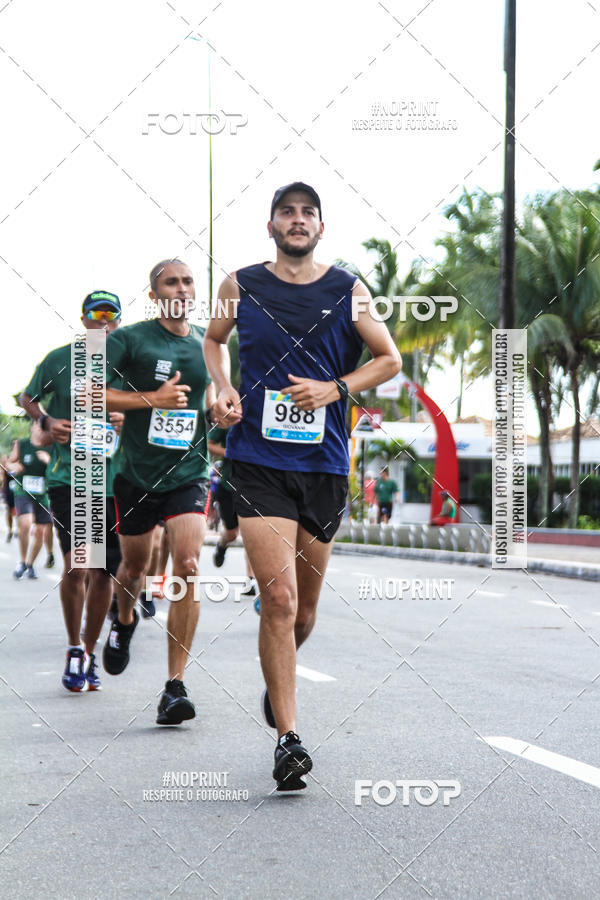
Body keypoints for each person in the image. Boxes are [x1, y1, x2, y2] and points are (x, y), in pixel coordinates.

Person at [203, 182, 401, 790]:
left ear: (320, 226)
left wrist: (334, 389)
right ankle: (289, 739)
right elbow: (213, 342)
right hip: (257, 461)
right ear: (271, 226)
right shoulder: (240, 284)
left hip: (322, 467)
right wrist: (223, 387)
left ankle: (278, 677)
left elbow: (389, 360)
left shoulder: (349, 290)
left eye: (306, 213)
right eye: (286, 212)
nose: (296, 220)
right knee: (280, 600)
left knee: (305, 612)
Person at [102, 259, 215, 726]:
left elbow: (221, 395)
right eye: (171, 281)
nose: (182, 287)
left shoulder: (210, 343)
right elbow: (89, 393)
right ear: (154, 294)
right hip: (135, 475)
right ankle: (124, 619)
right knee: (134, 566)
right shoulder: (129, 339)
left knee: (187, 564)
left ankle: (175, 685)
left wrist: (224, 411)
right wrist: (152, 399)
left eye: (188, 281)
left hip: (189, 472)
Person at [19, 291, 124, 692]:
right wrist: (47, 421)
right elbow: (27, 397)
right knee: (79, 565)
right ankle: (74, 646)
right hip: (70, 479)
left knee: (102, 572)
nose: (103, 320)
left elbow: (150, 405)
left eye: (110, 314)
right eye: (96, 313)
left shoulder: (125, 360)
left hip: (115, 480)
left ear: (118, 319)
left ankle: (91, 651)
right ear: (83, 318)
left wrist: (124, 418)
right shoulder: (59, 359)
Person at [208, 427, 257, 597]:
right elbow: (209, 444)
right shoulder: (231, 418)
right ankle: (222, 546)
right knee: (231, 534)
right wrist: (230, 452)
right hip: (228, 486)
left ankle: (249, 580)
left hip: (255, 487)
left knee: (251, 534)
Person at [6, 420, 53, 579]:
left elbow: (60, 469)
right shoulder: (22, 444)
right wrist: (14, 467)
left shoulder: (51, 447)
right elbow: (9, 462)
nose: (40, 429)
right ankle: (22, 561)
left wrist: (48, 461)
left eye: (44, 427)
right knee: (25, 523)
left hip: (42, 494)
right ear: (32, 426)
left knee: (40, 532)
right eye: (38, 425)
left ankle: (30, 564)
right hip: (23, 491)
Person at [1, 451, 17, 542]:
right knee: (9, 511)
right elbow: (2, 476)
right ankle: (10, 530)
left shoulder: (21, 459)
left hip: (19, 490)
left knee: (20, 510)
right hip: (8, 489)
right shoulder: (5, 459)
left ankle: (19, 529)